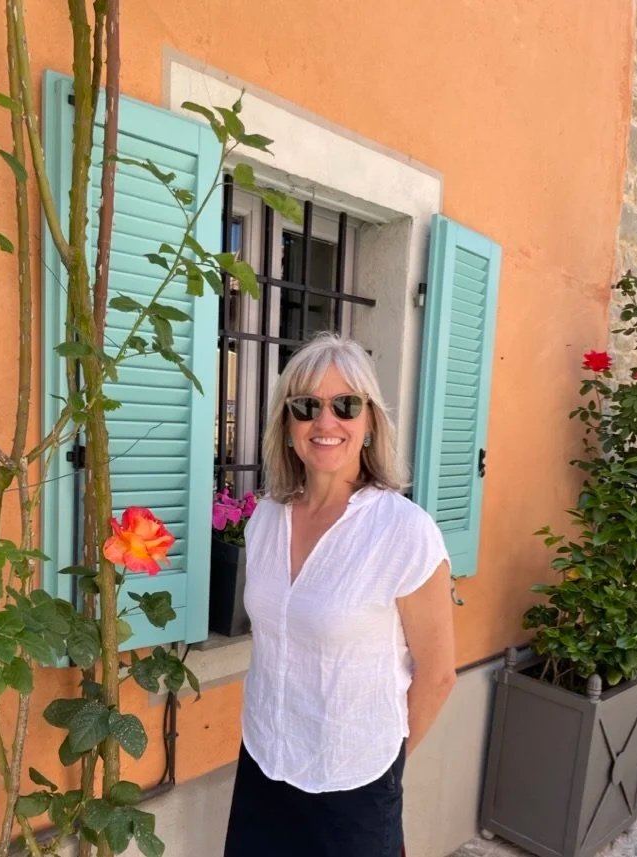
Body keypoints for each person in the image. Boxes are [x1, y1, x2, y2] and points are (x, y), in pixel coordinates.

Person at [223, 333, 456, 857]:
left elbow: (438, 675)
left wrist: (384, 769)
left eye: (345, 405)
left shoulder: (404, 532)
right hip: (264, 762)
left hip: (353, 783)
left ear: (370, 422)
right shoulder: (265, 520)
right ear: (287, 425)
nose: (325, 423)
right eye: (306, 406)